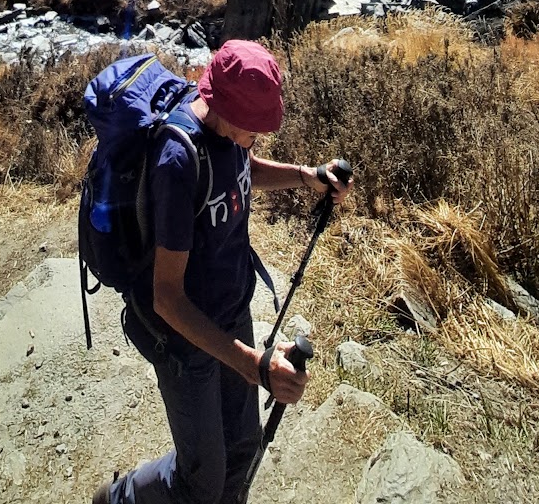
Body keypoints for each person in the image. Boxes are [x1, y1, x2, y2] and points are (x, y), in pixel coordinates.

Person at [93, 39, 353, 504]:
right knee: (201, 480)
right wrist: (252, 363)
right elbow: (167, 298)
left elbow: (242, 168)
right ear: (224, 108)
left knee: (242, 447)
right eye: (254, 127)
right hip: (180, 339)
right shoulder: (177, 160)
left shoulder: (227, 133)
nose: (259, 135)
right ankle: (123, 496)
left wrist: (303, 174)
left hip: (231, 311)